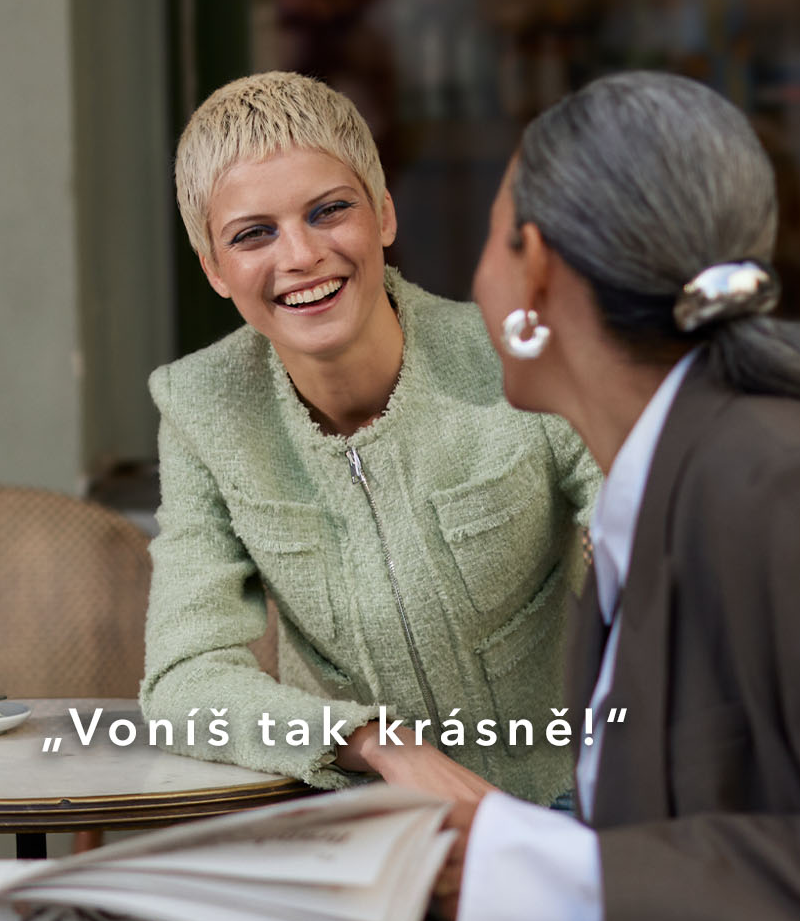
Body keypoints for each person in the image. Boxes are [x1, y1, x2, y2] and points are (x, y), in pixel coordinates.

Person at [437, 70, 800, 921]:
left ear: (535, 268)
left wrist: (575, 882)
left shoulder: (791, 483)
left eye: (492, 244)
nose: (474, 281)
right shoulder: (661, 485)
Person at [140, 71, 599, 807]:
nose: (300, 255)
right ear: (215, 269)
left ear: (384, 214)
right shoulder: (203, 405)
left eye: (329, 211)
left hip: (558, 805)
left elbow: (645, 562)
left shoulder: (514, 357)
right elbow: (183, 679)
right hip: (356, 819)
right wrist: (373, 742)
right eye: (254, 234)